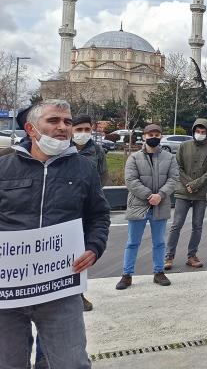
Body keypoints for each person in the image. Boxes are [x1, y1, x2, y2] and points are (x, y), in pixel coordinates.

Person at [0, 100, 110, 369]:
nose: (63, 127)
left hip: (60, 288)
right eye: (53, 121)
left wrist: (94, 248)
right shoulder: (4, 168)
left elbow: (98, 216)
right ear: (30, 128)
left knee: (71, 362)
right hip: (8, 291)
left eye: (67, 122)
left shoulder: (83, 169)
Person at [116, 124, 179, 290]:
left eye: (157, 134)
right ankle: (126, 275)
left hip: (160, 205)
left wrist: (161, 195)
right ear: (144, 136)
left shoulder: (170, 157)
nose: (153, 137)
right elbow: (130, 180)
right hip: (138, 205)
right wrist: (149, 195)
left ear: (161, 136)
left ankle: (158, 272)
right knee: (132, 242)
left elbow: (173, 179)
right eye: (150, 134)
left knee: (159, 242)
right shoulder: (134, 158)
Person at [165, 118, 207, 270]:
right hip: (183, 192)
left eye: (203, 132)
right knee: (177, 224)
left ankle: (192, 255)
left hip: (201, 193)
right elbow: (177, 166)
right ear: (193, 131)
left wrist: (195, 184)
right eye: (198, 131)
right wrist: (188, 183)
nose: (200, 134)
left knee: (197, 225)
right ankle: (169, 255)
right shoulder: (184, 146)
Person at [70, 115, 108, 311]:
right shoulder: (63, 148)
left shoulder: (97, 150)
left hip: (86, 208)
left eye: (87, 129)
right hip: (65, 208)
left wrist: (94, 196)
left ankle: (79, 293)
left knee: (82, 253)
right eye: (79, 129)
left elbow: (103, 175)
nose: (83, 133)